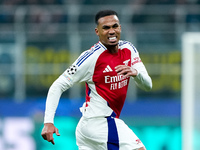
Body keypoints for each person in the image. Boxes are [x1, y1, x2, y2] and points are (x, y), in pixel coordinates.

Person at [41, 10, 152, 150]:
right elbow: (58, 85)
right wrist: (48, 122)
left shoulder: (129, 49)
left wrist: (136, 74)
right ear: (97, 31)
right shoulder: (91, 57)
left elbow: (148, 85)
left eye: (115, 26)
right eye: (106, 28)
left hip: (89, 127)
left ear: (120, 28)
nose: (111, 31)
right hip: (100, 121)